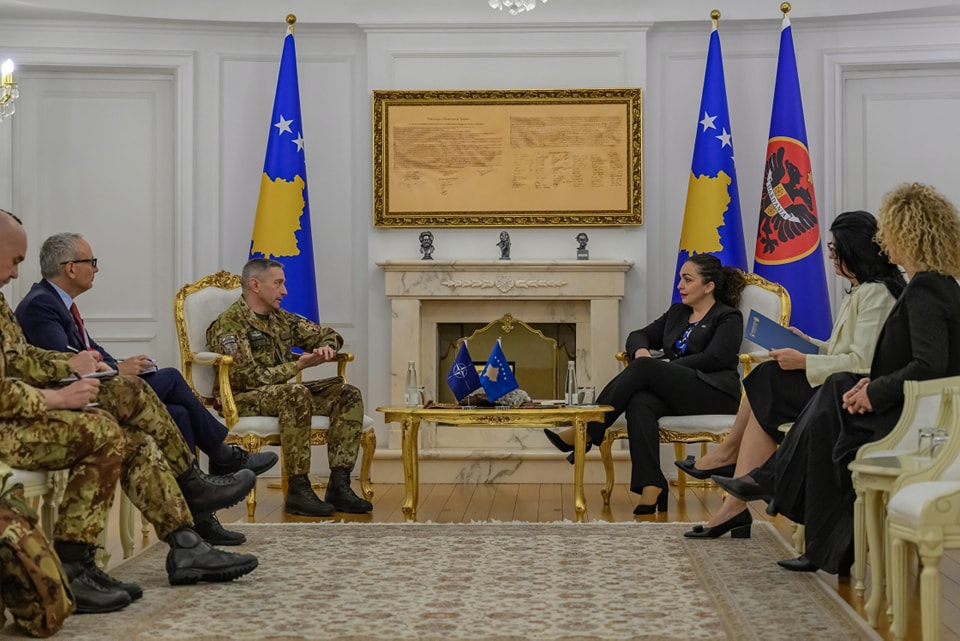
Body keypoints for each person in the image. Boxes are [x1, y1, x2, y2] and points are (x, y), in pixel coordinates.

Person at [0, 210, 259, 614]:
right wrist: (55, 399)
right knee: (116, 414)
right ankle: (75, 564)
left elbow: (18, 359)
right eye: (14, 260)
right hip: (10, 424)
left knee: (134, 438)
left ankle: (186, 544)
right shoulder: (37, 303)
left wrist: (68, 363)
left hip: (20, 415)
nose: (17, 272)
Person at [715, 182, 960, 574]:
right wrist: (869, 383)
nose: (885, 243)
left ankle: (777, 485)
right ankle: (794, 508)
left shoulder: (927, 289)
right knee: (835, 395)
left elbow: (929, 366)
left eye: (890, 233)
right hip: (913, 409)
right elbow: (907, 362)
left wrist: (874, 390)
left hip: (914, 421)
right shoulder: (936, 286)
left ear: (908, 234)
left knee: (834, 397)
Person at [14, 232, 279, 546]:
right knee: (171, 379)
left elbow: (90, 351)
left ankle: (199, 519)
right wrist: (119, 370)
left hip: (95, 389)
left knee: (178, 412)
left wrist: (122, 364)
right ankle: (221, 455)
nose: (96, 269)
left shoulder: (58, 302)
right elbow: (66, 363)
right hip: (72, 400)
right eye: (92, 262)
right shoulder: (41, 304)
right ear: (71, 268)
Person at [680, 211, 904, 539]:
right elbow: (841, 349)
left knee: (767, 378)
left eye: (835, 248)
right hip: (835, 385)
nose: (830, 256)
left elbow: (862, 363)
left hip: (851, 396)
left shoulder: (877, 294)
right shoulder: (859, 290)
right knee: (765, 383)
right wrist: (807, 343)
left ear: (855, 249)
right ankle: (733, 500)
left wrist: (804, 361)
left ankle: (729, 465)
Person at [543, 254, 746, 514]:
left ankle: (590, 428)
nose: (680, 286)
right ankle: (652, 485)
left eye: (687, 279)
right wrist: (641, 351)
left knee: (645, 369)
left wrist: (661, 368)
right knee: (640, 402)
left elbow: (714, 358)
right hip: (680, 391)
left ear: (709, 286)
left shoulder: (728, 317)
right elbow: (638, 335)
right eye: (680, 279)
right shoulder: (678, 313)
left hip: (714, 393)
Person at [206, 258, 373, 517]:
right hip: (243, 397)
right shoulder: (230, 324)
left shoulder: (281, 319)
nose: (284, 291)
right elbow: (244, 378)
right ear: (255, 285)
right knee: (295, 393)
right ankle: (298, 488)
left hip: (280, 394)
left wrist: (326, 347)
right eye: (278, 283)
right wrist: (297, 366)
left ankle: (339, 485)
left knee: (347, 394)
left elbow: (328, 334)